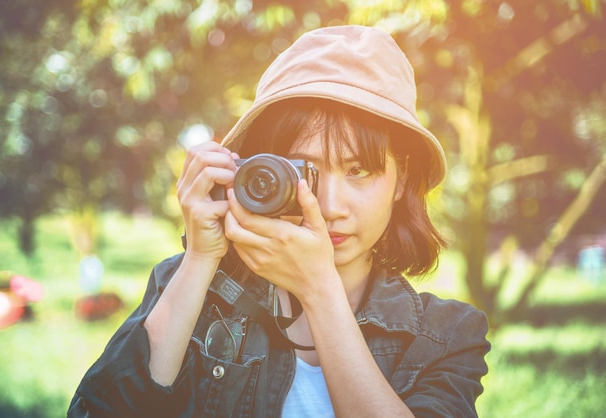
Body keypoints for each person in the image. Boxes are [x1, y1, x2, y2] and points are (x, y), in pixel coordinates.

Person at [68, 25, 490, 417]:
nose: (328, 206)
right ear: (260, 171)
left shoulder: (448, 336)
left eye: (359, 170)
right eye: (305, 171)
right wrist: (199, 259)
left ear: (401, 181)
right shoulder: (193, 288)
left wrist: (320, 290)